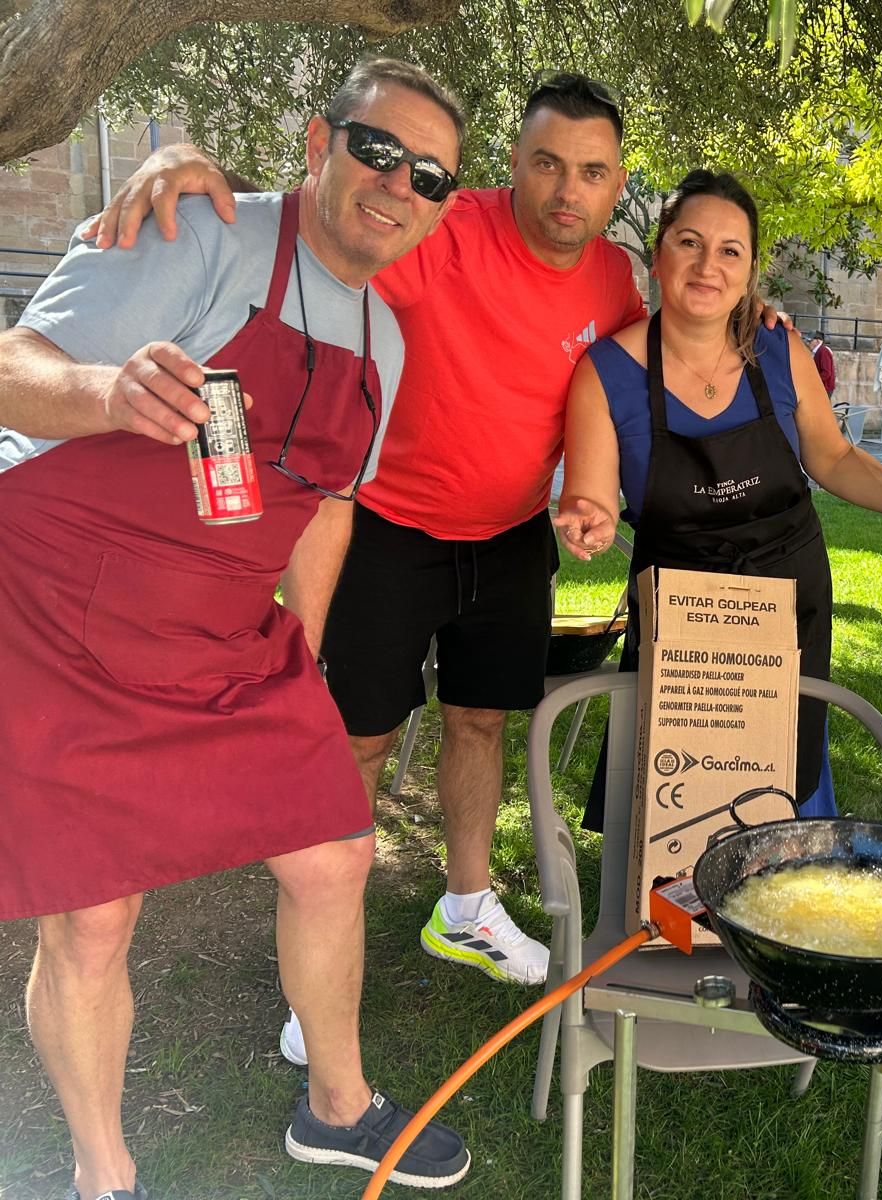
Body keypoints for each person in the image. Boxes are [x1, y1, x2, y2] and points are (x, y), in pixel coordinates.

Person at [0, 58, 474, 1196]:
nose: (397, 183)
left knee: (335, 852)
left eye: (431, 176)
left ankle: (338, 1107)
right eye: (376, 149)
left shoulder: (388, 343)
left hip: (225, 630)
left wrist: (299, 653)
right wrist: (110, 393)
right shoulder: (196, 227)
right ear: (319, 142)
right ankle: (102, 1173)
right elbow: (13, 369)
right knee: (95, 917)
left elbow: (325, 507)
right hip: (62, 610)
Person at [92, 74, 655, 1024]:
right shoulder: (445, 229)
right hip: (384, 523)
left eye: (592, 173)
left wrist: (753, 315)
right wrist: (185, 166)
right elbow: (323, 232)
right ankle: (327, 932)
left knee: (482, 720)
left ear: (616, 183)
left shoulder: (612, 279)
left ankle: (467, 907)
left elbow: (651, 355)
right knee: (358, 735)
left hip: (512, 533)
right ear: (512, 165)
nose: (568, 190)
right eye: (548, 163)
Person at [556, 171, 882, 828]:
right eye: (689, 242)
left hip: (789, 603)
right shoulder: (605, 372)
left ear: (751, 270)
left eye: (730, 251)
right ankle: (674, 927)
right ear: (660, 253)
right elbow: (588, 493)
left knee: (786, 788)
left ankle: (778, 919)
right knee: (679, 805)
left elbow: (833, 456)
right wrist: (590, 522)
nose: (707, 265)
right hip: (681, 619)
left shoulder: (779, 348)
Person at [809, 331, 837, 397]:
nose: (808, 343)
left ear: (817, 341)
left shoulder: (823, 351)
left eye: (810, 341)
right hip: (822, 387)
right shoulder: (819, 351)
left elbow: (826, 372)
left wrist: (813, 381)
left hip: (824, 388)